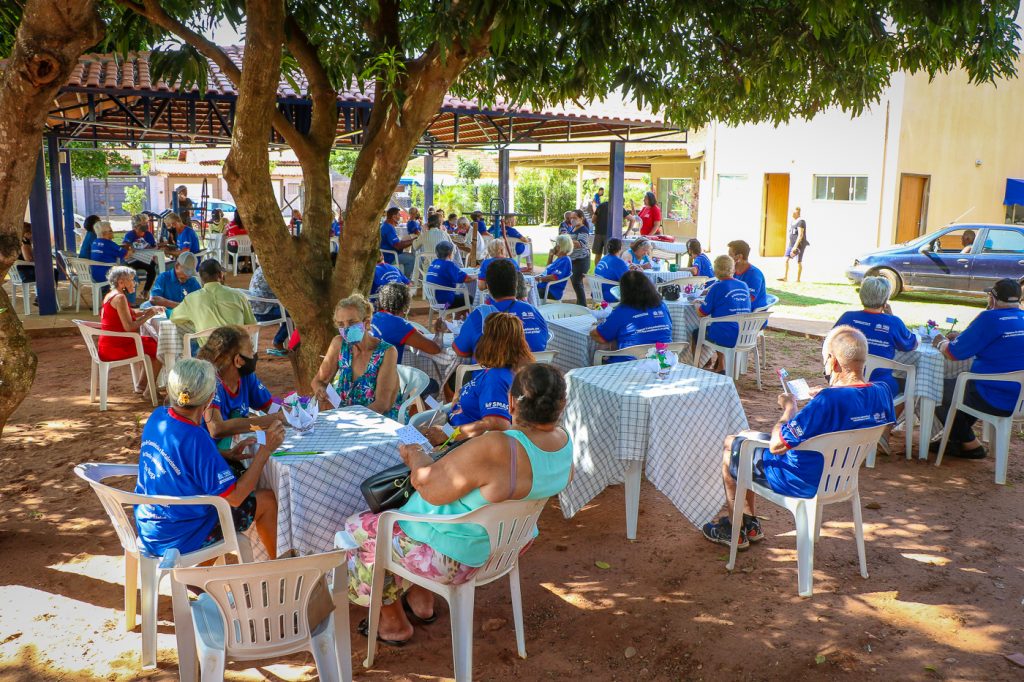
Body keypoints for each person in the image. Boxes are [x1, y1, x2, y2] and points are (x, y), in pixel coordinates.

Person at [344, 362, 573, 644]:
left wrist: (415, 452)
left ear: (511, 402)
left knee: (359, 526)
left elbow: (427, 487)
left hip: (459, 557)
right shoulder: (563, 441)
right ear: (561, 404)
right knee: (400, 523)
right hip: (508, 546)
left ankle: (392, 622)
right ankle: (420, 597)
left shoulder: (499, 446)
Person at [701, 326, 895, 548]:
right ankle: (750, 523)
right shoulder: (882, 392)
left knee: (732, 447)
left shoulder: (828, 402)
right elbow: (858, 407)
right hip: (841, 478)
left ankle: (734, 531)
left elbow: (777, 445)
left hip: (799, 478)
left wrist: (789, 408)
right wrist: (829, 393)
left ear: (832, 362)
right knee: (742, 437)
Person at [134, 358, 283, 560]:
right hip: (181, 536)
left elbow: (180, 457)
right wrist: (265, 451)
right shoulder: (196, 438)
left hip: (150, 525)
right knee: (266, 500)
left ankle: (199, 576)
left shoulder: (157, 417)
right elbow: (236, 497)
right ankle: (279, 569)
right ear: (212, 397)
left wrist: (224, 454)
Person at [931, 278, 1024, 459]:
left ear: (993, 299)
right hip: (1020, 400)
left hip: (992, 396)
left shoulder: (990, 318)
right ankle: (958, 439)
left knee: (936, 389)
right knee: (962, 390)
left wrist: (941, 341)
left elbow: (953, 353)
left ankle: (971, 444)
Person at [424, 312, 534, 446]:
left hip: (460, 445)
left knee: (402, 448)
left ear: (490, 341)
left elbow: (497, 425)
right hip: (452, 431)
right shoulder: (504, 370)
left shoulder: (496, 378)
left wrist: (448, 434)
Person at [197, 325, 286, 452]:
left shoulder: (246, 378)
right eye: (251, 351)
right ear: (238, 361)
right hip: (210, 453)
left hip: (234, 448)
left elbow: (269, 406)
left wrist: (290, 413)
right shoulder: (211, 383)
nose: (255, 355)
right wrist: (269, 420)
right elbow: (216, 428)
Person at [312, 293, 401, 419]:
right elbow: (318, 381)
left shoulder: (387, 352)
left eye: (352, 322)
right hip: (343, 417)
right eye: (341, 324)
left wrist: (351, 421)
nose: (346, 328)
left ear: (366, 323)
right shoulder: (339, 344)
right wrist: (320, 390)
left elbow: (382, 404)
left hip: (378, 419)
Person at [834, 276, 917, 403]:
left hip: (845, 382)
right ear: (885, 300)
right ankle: (889, 422)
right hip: (880, 386)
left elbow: (829, 344)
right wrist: (891, 317)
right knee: (910, 388)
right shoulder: (893, 322)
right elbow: (912, 344)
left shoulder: (847, 317)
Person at [454, 259, 549, 355]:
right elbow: (544, 341)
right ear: (516, 285)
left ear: (489, 287)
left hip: (492, 368)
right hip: (531, 367)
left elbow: (460, 350)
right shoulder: (533, 311)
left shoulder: (480, 315)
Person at [98, 266, 163, 392]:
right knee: (160, 348)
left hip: (109, 343)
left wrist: (146, 311)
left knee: (152, 343)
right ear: (121, 282)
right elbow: (129, 327)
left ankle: (142, 386)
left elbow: (130, 312)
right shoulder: (120, 298)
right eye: (132, 280)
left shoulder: (111, 295)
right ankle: (149, 391)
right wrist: (149, 315)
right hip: (117, 346)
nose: (135, 283)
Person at [591, 271, 672, 361]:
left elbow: (600, 336)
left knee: (599, 354)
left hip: (630, 365)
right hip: (663, 362)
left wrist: (593, 328)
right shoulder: (662, 306)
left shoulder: (622, 311)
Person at [697, 255, 752, 373]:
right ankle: (721, 366)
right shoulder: (744, 285)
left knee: (696, 333)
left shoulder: (717, 287)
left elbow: (702, 313)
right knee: (723, 325)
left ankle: (699, 367)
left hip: (727, 335)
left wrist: (696, 304)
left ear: (715, 270)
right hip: (745, 334)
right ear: (732, 269)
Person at [172, 259, 257, 333]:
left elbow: (174, 317)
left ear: (201, 278)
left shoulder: (191, 299)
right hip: (236, 348)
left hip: (210, 349)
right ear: (220, 275)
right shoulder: (238, 295)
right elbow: (252, 324)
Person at [372, 283, 441, 364]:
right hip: (387, 374)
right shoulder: (398, 324)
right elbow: (434, 349)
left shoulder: (374, 317)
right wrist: (439, 332)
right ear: (404, 304)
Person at [248, 264, 290, 356]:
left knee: (288, 310)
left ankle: (280, 340)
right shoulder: (274, 271)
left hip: (254, 310)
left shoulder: (262, 268)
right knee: (294, 314)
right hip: (264, 312)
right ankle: (278, 341)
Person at [425, 241, 474, 309]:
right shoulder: (449, 265)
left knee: (459, 296)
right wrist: (477, 276)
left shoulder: (434, 262)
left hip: (433, 303)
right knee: (469, 298)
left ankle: (457, 318)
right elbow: (467, 279)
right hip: (445, 304)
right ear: (450, 254)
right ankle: (460, 319)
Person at [122, 215, 158, 298]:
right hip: (132, 260)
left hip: (145, 259)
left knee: (152, 269)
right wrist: (129, 247)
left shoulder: (148, 235)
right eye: (143, 223)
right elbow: (125, 246)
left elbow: (154, 246)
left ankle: (145, 291)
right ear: (136, 226)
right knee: (129, 271)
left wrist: (154, 248)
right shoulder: (130, 235)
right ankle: (128, 294)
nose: (146, 225)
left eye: (146, 223)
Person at [727, 239, 768, 310]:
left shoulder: (754, 274)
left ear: (739, 257)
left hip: (750, 315)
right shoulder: (731, 270)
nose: (727, 258)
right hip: (738, 310)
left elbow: (748, 299)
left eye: (730, 255)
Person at [562, 209, 592, 305]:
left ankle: (583, 306)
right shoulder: (573, 228)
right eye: (571, 218)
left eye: (575, 218)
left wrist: (567, 239)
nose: (572, 220)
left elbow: (580, 244)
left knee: (577, 283)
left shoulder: (583, 230)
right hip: (573, 259)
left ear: (581, 218)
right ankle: (580, 305)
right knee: (577, 284)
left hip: (581, 260)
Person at [380, 207, 417, 277]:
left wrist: (408, 241)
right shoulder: (388, 228)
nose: (400, 216)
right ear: (393, 217)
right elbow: (398, 245)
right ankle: (406, 280)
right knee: (412, 258)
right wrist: (413, 241)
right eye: (399, 215)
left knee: (408, 255)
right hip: (390, 257)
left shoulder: (386, 225)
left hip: (388, 254)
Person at [537, 234, 573, 302]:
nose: (554, 247)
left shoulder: (565, 261)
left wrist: (539, 279)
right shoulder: (559, 258)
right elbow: (547, 269)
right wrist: (550, 256)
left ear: (561, 247)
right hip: (545, 287)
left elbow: (554, 277)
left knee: (527, 292)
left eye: (556, 245)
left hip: (552, 291)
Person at [593, 238, 630, 302]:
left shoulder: (604, 258)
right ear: (620, 248)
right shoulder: (619, 262)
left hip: (597, 292)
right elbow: (628, 280)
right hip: (611, 294)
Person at [780, 207, 808, 282]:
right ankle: (785, 277)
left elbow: (800, 235)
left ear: (797, 213)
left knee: (798, 261)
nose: (792, 213)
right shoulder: (793, 221)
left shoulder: (801, 222)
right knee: (786, 259)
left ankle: (798, 279)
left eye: (793, 212)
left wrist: (795, 246)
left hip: (799, 245)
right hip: (791, 244)